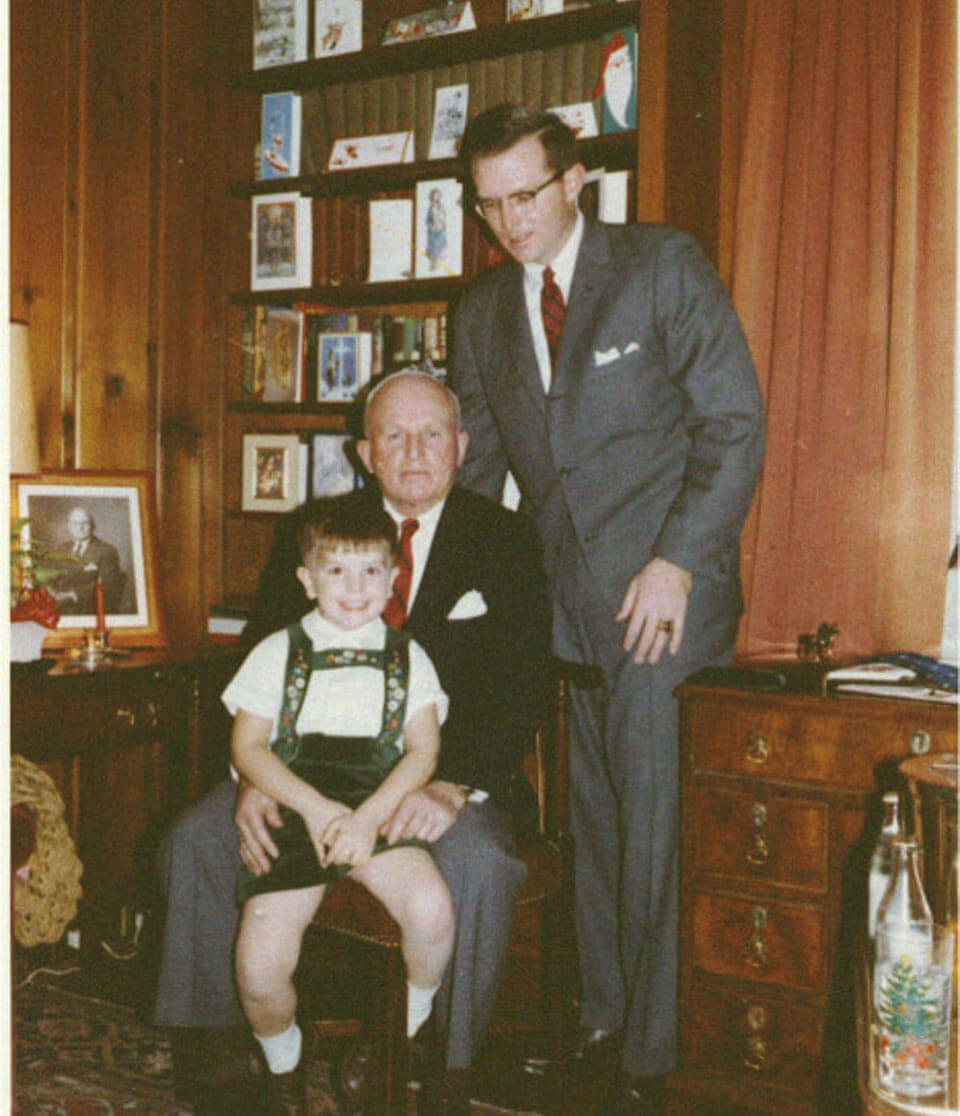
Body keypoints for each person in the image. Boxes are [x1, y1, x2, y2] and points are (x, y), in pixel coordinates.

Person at [450, 104, 766, 1113]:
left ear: (574, 178)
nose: (510, 221)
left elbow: (733, 423)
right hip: (563, 614)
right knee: (592, 827)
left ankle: (651, 1061)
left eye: (526, 195)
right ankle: (602, 1022)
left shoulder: (660, 264)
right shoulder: (482, 313)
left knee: (653, 829)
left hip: (665, 605)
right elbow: (478, 475)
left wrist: (677, 560)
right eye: (489, 203)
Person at [154, 369, 554, 1116]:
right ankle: (218, 1059)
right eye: (393, 435)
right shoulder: (313, 533)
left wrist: (451, 782)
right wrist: (252, 784)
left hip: (438, 779)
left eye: (431, 433)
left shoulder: (502, 539)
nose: (413, 452)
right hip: (300, 770)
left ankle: (441, 1071)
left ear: (462, 447)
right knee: (196, 839)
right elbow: (264, 665)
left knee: (487, 865)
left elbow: (523, 682)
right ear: (365, 451)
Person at [226, 493, 453, 1114]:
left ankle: (398, 1037)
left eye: (371, 571)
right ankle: (283, 1062)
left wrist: (368, 818)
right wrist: (318, 810)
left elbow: (422, 755)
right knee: (259, 963)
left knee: (432, 911)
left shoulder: (412, 658)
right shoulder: (278, 652)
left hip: (377, 805)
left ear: (392, 576)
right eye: (336, 571)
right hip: (300, 809)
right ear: (306, 579)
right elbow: (248, 748)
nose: (355, 588)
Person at [50, 506, 127, 614]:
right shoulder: (60, 549)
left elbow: (108, 585)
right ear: (69, 526)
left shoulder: (107, 550)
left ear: (92, 526)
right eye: (75, 524)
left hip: (90, 611)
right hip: (60, 610)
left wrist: (71, 595)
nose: (80, 528)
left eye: (84, 523)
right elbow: (50, 578)